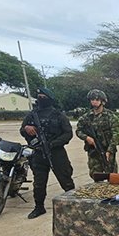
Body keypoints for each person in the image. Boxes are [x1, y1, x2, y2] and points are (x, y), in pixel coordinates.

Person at [20, 87, 75, 219]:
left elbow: (68, 134)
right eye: (39, 96)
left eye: (43, 96)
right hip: (38, 153)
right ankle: (39, 207)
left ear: (49, 99)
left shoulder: (58, 115)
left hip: (56, 153)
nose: (40, 98)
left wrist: (52, 144)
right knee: (39, 183)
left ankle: (74, 204)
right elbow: (22, 130)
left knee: (66, 180)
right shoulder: (32, 115)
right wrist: (26, 128)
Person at [75, 89, 119, 176]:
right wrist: (87, 138)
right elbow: (78, 131)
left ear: (102, 101)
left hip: (107, 150)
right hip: (93, 151)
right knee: (95, 175)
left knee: (112, 175)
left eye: (97, 100)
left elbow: (116, 135)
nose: (94, 102)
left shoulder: (110, 117)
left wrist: (109, 151)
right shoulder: (86, 117)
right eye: (92, 100)